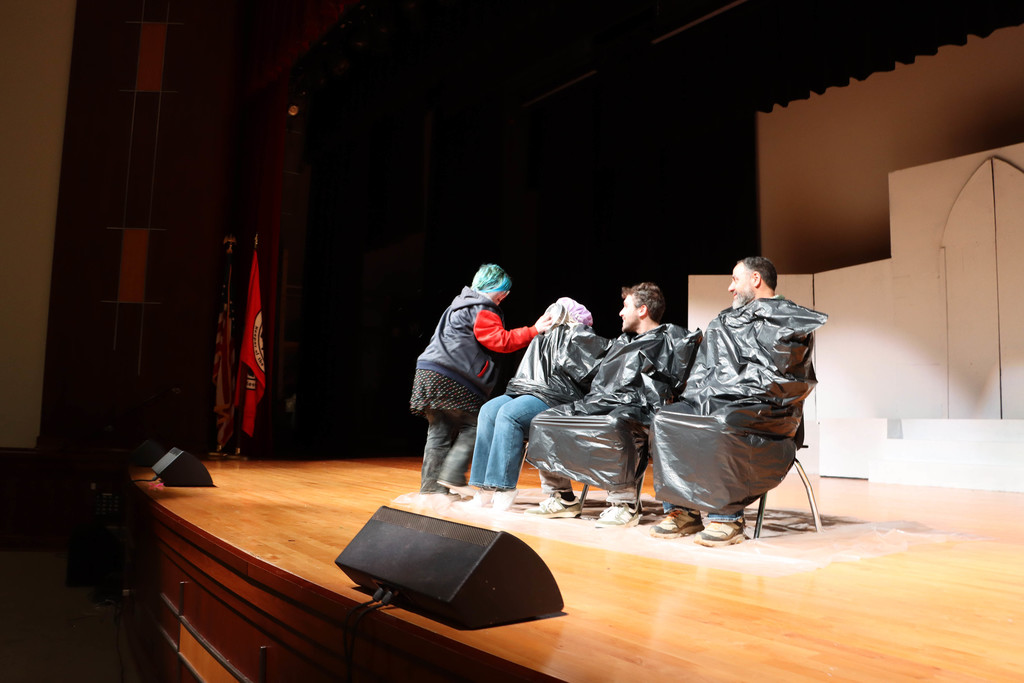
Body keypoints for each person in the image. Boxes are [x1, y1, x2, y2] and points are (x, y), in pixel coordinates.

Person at [649, 256, 827, 547]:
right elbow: (703, 376)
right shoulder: (723, 320)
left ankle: (727, 518)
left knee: (723, 421)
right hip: (718, 404)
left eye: (735, 279)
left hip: (767, 413)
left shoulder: (790, 319)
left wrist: (735, 394)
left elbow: (786, 381)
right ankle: (682, 512)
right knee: (666, 418)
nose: (730, 288)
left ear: (755, 280)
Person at [524, 282, 701, 528]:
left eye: (625, 305)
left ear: (642, 310)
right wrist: (571, 332)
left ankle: (625, 504)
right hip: (603, 404)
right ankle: (562, 497)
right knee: (544, 420)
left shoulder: (671, 339)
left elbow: (678, 385)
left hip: (640, 411)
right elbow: (593, 363)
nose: (620, 312)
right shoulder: (621, 342)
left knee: (614, 422)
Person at [410, 264, 554, 495]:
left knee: (439, 433)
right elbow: (500, 341)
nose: (504, 296)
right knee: (478, 424)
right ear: (494, 288)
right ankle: (453, 474)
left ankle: (431, 490)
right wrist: (534, 330)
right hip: (454, 376)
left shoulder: (457, 305)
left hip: (428, 373)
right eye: (503, 291)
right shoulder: (482, 308)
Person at [465, 297, 609, 511]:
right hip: (531, 391)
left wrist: (572, 335)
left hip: (559, 398)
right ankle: (485, 487)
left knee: (509, 414)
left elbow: (588, 374)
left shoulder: (582, 336)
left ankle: (504, 487)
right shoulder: (542, 339)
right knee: (488, 410)